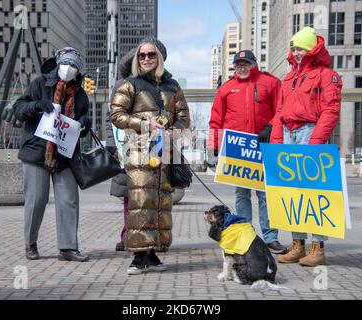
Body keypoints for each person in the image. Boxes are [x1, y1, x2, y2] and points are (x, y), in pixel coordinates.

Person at [110, 38, 190, 275]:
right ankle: (138, 256)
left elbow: (183, 116)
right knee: (140, 202)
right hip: (139, 151)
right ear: (137, 59)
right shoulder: (129, 84)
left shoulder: (172, 86)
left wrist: (174, 131)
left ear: (159, 58)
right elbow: (117, 115)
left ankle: (153, 252)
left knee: (160, 202)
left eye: (151, 55)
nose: (146, 59)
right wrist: (146, 123)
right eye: (142, 55)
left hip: (164, 152)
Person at [270, 27, 343, 266]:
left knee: (313, 193)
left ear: (313, 48)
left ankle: (317, 248)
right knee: (292, 194)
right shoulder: (289, 77)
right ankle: (297, 245)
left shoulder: (326, 75)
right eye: (293, 48)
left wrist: (316, 141)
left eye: (300, 47)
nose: (296, 52)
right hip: (289, 133)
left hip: (310, 132)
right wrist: (277, 141)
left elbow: (331, 110)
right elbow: (279, 112)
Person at [14, 47, 92, 262]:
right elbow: (18, 109)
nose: (69, 68)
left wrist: (85, 124)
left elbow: (81, 123)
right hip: (36, 152)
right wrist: (37, 105)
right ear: (58, 64)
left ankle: (67, 248)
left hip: (65, 155)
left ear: (78, 70)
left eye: (74, 65)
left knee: (68, 200)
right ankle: (30, 243)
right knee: (36, 200)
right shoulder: (40, 84)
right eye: (66, 63)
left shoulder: (81, 94)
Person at [208, 50, 287, 255]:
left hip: (263, 147)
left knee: (265, 194)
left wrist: (270, 127)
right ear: (234, 66)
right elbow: (216, 119)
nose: (242, 68)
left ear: (254, 64)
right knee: (241, 194)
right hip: (238, 150)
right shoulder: (226, 89)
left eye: (246, 64)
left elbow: (281, 109)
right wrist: (215, 145)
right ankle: (247, 235)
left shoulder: (270, 83)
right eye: (238, 64)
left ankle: (271, 237)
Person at [105, 48, 136, 252]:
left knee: (153, 197)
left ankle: (152, 237)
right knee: (128, 195)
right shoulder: (121, 86)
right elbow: (112, 118)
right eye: (139, 58)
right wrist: (110, 142)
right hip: (126, 147)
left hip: (154, 149)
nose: (144, 61)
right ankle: (128, 235)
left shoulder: (161, 85)